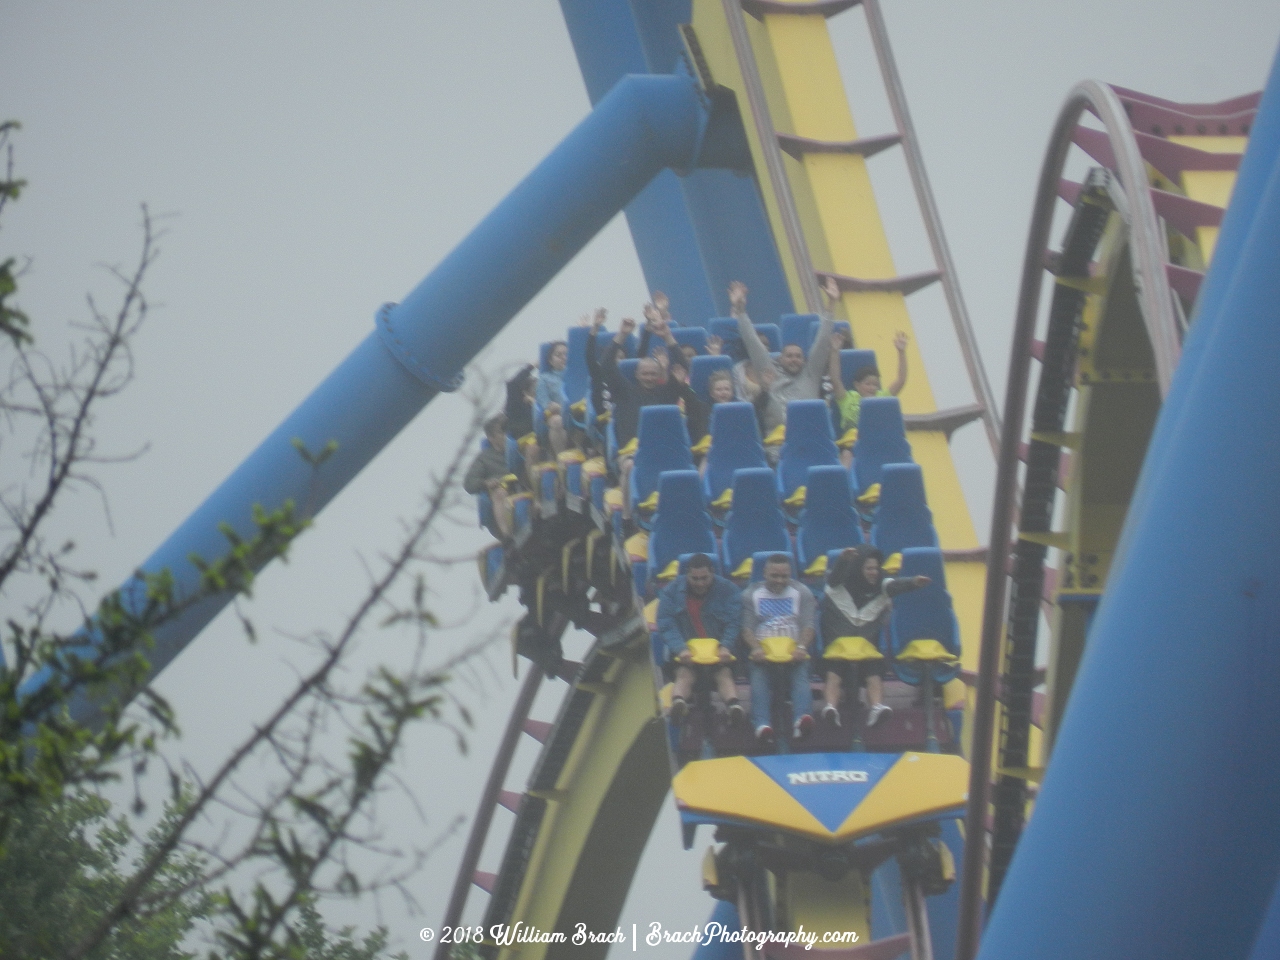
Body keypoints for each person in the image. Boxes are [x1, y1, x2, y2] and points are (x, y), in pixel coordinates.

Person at [819, 545, 930, 728]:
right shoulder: (838, 587)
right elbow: (835, 576)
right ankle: (831, 708)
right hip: (837, 650)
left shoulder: (882, 588)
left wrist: (914, 582)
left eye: (876, 568)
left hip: (866, 651)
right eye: (868, 568)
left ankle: (877, 708)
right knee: (834, 674)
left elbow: (896, 585)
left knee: (874, 674)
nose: (874, 572)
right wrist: (844, 560)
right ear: (857, 568)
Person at [600, 315, 696, 519]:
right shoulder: (624, 392)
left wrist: (668, 336)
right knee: (629, 467)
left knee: (689, 469)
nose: (649, 378)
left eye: (653, 374)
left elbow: (683, 367)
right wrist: (623, 334)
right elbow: (607, 364)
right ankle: (627, 519)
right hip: (632, 453)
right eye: (645, 374)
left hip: (664, 451)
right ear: (637, 374)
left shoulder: (667, 393)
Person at [731, 280, 837, 451]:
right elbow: (752, 342)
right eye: (789, 356)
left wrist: (831, 304)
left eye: (798, 356)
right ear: (780, 359)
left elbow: (823, 340)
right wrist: (740, 310)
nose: (794, 359)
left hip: (811, 443)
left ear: (804, 360)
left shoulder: (811, 375)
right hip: (777, 447)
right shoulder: (769, 373)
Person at [655, 554, 745, 725]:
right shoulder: (671, 592)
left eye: (704, 578)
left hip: (718, 654)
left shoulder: (729, 590)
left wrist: (725, 646)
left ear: (712, 573)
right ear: (687, 575)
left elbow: (734, 623)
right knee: (685, 674)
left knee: (724, 675)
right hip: (687, 653)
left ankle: (733, 706)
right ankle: (678, 703)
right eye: (695, 579)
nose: (700, 583)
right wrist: (680, 648)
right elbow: (666, 623)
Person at [741, 554, 817, 744]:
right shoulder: (751, 594)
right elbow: (746, 628)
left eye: (784, 576)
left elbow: (809, 625)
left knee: (800, 674)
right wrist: (756, 649)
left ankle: (802, 720)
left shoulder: (802, 592)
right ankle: (762, 725)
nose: (780, 581)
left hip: (793, 651)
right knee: (759, 676)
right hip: (764, 652)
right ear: (765, 573)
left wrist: (801, 647)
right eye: (775, 576)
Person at [464, 415, 515, 538]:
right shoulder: (484, 458)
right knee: (499, 493)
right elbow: (469, 483)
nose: (505, 434)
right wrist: (486, 483)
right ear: (491, 438)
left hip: (522, 483)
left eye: (506, 430)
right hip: (503, 489)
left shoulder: (518, 446)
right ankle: (507, 535)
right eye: (500, 432)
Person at [537, 340, 570, 455]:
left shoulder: (579, 375)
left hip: (580, 411)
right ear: (550, 361)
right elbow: (545, 404)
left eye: (566, 354)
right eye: (558, 355)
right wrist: (559, 407)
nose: (563, 358)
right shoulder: (544, 378)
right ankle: (562, 458)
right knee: (556, 421)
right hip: (558, 414)